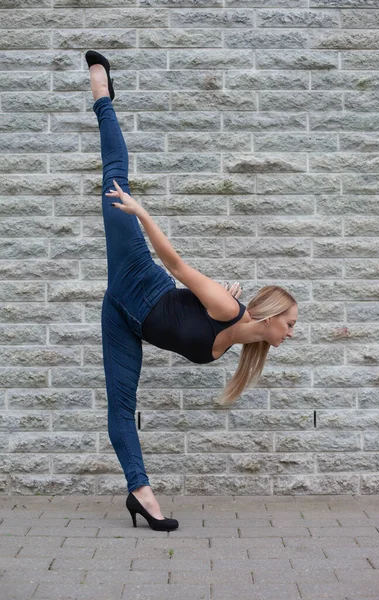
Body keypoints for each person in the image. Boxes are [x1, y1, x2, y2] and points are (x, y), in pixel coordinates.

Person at [85, 51, 298, 532]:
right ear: (271, 316)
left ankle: (140, 493)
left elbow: (190, 313)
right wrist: (140, 214)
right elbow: (176, 265)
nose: (292, 333)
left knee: (120, 404)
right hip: (136, 272)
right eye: (290, 324)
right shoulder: (227, 306)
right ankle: (102, 92)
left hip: (121, 315)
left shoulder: (241, 338)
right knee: (115, 174)